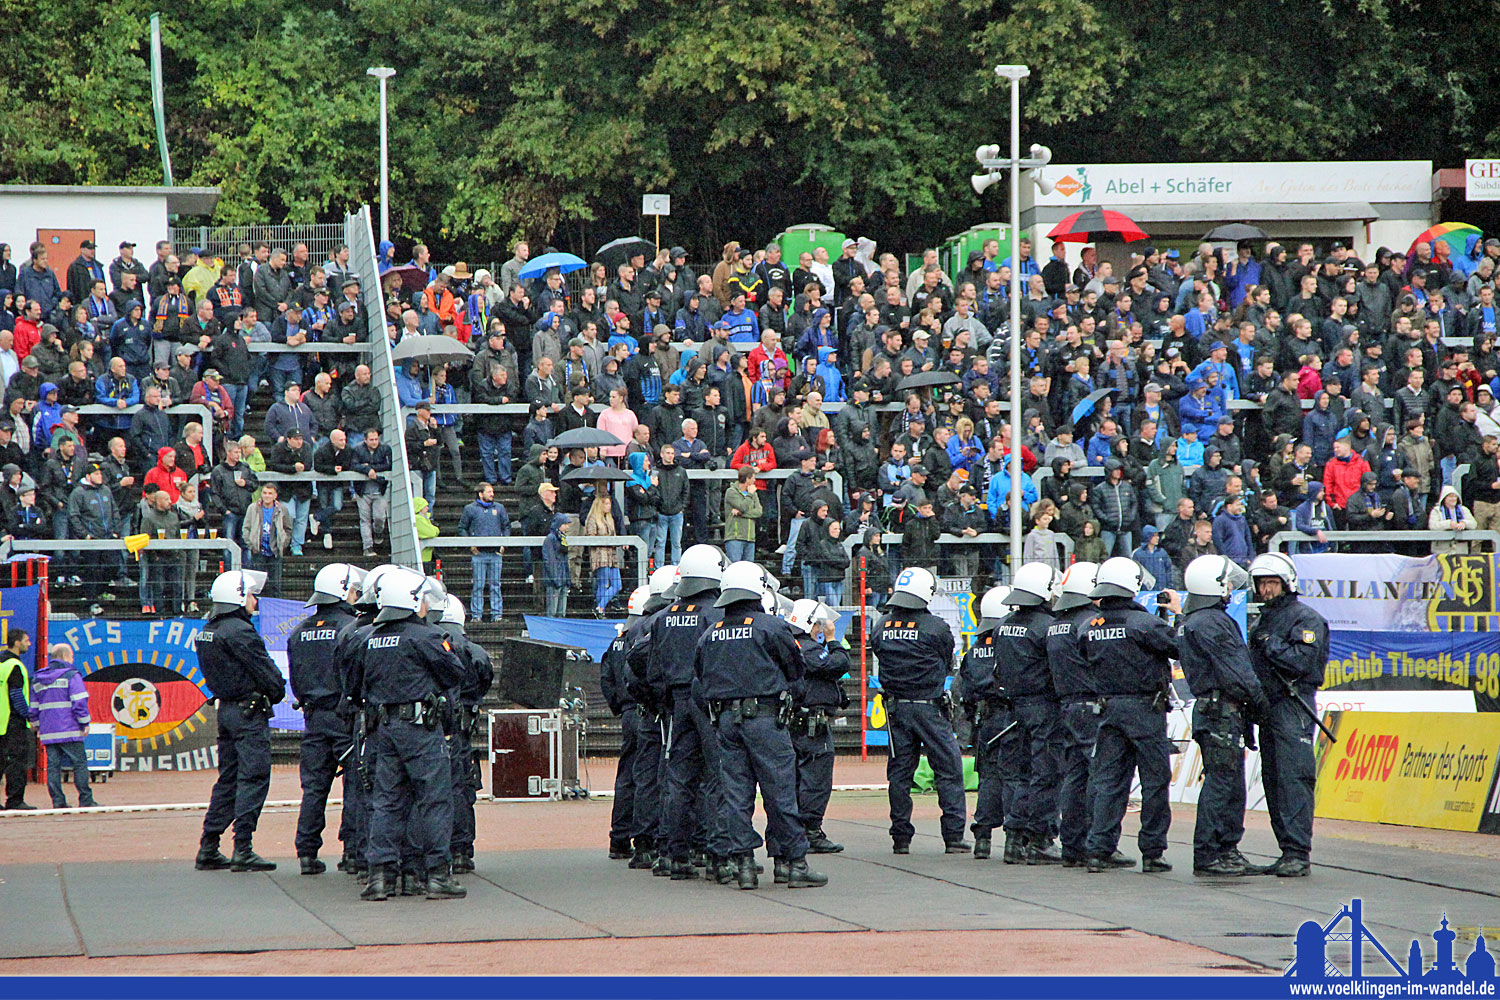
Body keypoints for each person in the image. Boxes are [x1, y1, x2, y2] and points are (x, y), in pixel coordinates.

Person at [695, 561, 828, 889]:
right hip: (765, 719)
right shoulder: (770, 626)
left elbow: (700, 674)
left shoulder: (710, 632)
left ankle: (743, 865)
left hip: (725, 720)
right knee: (780, 790)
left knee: (736, 794)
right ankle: (794, 862)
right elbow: (796, 668)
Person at [349, 569, 467, 900]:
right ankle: (436, 875)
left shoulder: (369, 638)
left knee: (386, 801)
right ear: (412, 601)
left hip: (382, 729)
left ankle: (380, 877)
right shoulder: (425, 637)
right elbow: (454, 672)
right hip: (419, 729)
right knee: (433, 801)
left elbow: (355, 685)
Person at [633, 545, 729, 881]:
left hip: (676, 702)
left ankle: (672, 853)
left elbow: (645, 662)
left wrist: (662, 697)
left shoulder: (662, 617)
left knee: (677, 779)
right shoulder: (715, 614)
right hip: (709, 702)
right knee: (719, 777)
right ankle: (719, 855)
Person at [1080, 557, 1180, 874]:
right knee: (1154, 781)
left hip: (1108, 708)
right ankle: (1152, 851)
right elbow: (1179, 646)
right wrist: (1178, 614)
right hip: (1145, 709)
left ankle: (1099, 849)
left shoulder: (1088, 627)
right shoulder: (1145, 624)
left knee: (1109, 781)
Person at [1178, 555, 1270, 877]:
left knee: (1223, 782)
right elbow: (1239, 673)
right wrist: (1262, 705)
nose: (1230, 588)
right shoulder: (1215, 622)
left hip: (1209, 710)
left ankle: (1222, 850)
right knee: (1224, 785)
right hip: (1222, 714)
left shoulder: (1191, 621)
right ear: (1216, 586)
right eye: (1226, 582)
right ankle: (1214, 853)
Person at [869, 567, 969, 853]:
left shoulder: (881, 626)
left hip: (895, 708)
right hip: (929, 708)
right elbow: (947, 659)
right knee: (948, 771)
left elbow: (878, 652)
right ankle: (953, 837)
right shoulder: (936, 626)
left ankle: (901, 838)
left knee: (899, 774)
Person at [195, 570, 286, 872]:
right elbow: (267, 672)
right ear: (237, 596)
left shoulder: (208, 630)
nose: (254, 600)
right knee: (253, 776)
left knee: (228, 778)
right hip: (248, 713)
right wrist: (276, 690)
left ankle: (209, 845)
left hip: (226, 710)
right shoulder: (240, 631)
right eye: (250, 594)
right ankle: (243, 847)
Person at [1247, 552, 1329, 878]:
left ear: (1286, 583)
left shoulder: (1306, 619)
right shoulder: (1260, 621)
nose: (1266, 589)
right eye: (1262, 583)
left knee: (1294, 778)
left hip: (1293, 705)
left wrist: (1270, 644)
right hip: (1267, 707)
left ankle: (1298, 852)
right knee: (1274, 780)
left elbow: (1300, 661)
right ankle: (1285, 850)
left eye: (1272, 582)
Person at [288, 563, 364, 875]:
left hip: (313, 717)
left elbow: (296, 678)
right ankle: (352, 852)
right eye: (355, 590)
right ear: (344, 591)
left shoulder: (299, 631)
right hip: (344, 717)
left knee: (314, 788)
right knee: (356, 785)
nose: (358, 595)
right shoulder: (353, 627)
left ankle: (307, 852)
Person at [991, 562, 1063, 864]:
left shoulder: (1003, 624)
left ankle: (1013, 838)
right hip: (1043, 707)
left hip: (1012, 708)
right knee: (1045, 774)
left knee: (1017, 775)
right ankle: (1041, 840)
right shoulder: (1047, 627)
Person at [780, 599, 849, 866]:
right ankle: (810, 831)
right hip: (809, 727)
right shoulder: (806, 647)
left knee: (798, 779)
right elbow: (838, 663)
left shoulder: (793, 644)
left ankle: (801, 830)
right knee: (816, 780)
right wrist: (832, 640)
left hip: (797, 723)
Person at [434, 593, 493, 874]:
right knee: (462, 787)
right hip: (462, 726)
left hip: (432, 725)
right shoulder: (474, 651)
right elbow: (485, 679)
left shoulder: (431, 644)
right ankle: (461, 851)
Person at [958, 585, 1012, 860]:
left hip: (985, 720)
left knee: (989, 779)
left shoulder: (974, 651)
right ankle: (1017, 837)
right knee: (1016, 777)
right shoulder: (1012, 644)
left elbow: (964, 692)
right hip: (1011, 716)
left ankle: (983, 837)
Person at [602, 586, 651, 859]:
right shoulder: (644, 633)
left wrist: (619, 707)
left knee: (626, 776)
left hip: (628, 712)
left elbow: (606, 677)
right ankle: (646, 839)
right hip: (644, 709)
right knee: (647, 775)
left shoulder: (617, 640)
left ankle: (618, 838)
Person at [27, 644, 95, 809]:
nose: (72, 660)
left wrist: (36, 725)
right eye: (71, 656)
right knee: (79, 763)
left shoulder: (38, 679)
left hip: (48, 731)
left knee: (53, 767)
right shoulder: (72, 676)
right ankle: (85, 799)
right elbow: (79, 702)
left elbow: (33, 706)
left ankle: (58, 801)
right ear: (65, 657)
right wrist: (85, 722)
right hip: (70, 729)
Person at [459, 481, 510, 622]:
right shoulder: (470, 509)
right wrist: (470, 545)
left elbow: (506, 526)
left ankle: (497, 614)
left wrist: (504, 543)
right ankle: (476, 615)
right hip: (479, 554)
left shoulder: (499, 508)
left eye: (492, 491)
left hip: (495, 553)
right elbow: (462, 527)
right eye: (489, 492)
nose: (492, 494)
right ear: (480, 494)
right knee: (478, 585)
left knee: (495, 585)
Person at [0, 631, 36, 810]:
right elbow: (16, 694)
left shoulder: (1, 663)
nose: (29, 644)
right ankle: (14, 800)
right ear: (16, 643)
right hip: (13, 722)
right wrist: (28, 715)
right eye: (26, 641)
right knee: (17, 762)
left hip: (1, 721)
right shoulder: (15, 665)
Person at [241, 483, 291, 597]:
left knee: (276, 585)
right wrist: (251, 545)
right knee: (257, 585)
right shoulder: (253, 508)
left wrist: (283, 544)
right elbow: (246, 528)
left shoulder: (282, 509)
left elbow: (288, 528)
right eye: (264, 493)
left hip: (275, 551)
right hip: (258, 551)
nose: (267, 496)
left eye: (270, 493)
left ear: (275, 496)